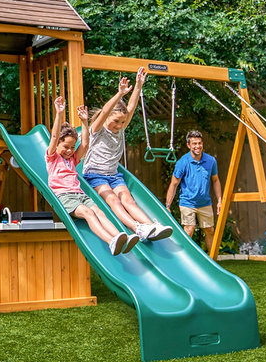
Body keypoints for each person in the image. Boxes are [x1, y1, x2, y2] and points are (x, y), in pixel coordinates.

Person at [83, 68, 173, 242]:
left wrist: (138, 85)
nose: (119, 125)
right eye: (116, 121)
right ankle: (137, 228)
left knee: (128, 199)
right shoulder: (97, 130)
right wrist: (119, 93)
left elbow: (130, 108)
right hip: (95, 175)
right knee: (113, 200)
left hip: (114, 175)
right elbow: (104, 112)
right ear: (108, 117)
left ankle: (151, 227)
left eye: (122, 122)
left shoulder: (121, 129)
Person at [47, 95, 138, 255]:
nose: (69, 150)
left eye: (71, 147)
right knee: (89, 213)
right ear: (58, 145)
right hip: (65, 197)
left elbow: (85, 144)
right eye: (66, 146)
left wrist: (84, 121)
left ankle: (120, 237)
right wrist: (59, 113)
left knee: (100, 212)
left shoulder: (73, 159)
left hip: (80, 195)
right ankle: (111, 242)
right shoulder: (53, 157)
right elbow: (54, 136)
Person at [166, 130, 223, 251]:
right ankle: (186, 259)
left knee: (210, 230)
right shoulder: (182, 162)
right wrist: (168, 205)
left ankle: (213, 261)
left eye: (199, 143)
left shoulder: (211, 161)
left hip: (205, 203)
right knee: (189, 229)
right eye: (194, 143)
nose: (197, 146)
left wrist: (219, 200)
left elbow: (216, 180)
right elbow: (174, 184)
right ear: (188, 145)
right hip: (187, 202)